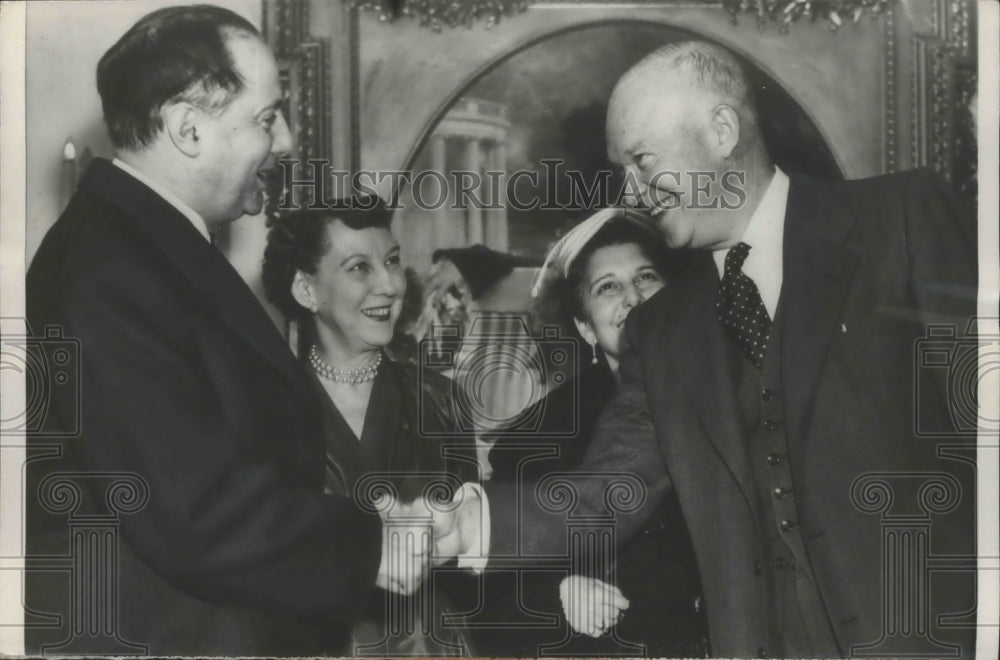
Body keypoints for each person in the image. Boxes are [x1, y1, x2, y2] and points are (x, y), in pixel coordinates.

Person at [430, 40, 977, 658]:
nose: (632, 192)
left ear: (722, 130)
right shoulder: (662, 328)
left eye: (642, 160)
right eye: (622, 173)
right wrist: (476, 525)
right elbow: (612, 488)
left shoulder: (900, 220)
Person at [25, 6, 424, 655]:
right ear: (188, 129)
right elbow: (191, 509)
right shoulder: (110, 270)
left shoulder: (143, 246)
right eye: (267, 118)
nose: (288, 139)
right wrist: (373, 543)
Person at [472, 208, 707, 657]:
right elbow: (491, 591)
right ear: (584, 327)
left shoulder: (730, 400)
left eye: (647, 277)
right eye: (608, 287)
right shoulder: (534, 440)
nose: (634, 298)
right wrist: (557, 591)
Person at [261, 201, 480, 655]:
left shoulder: (441, 399)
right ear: (305, 288)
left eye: (393, 261)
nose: (389, 285)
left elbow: (469, 562)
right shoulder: (262, 409)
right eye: (359, 267)